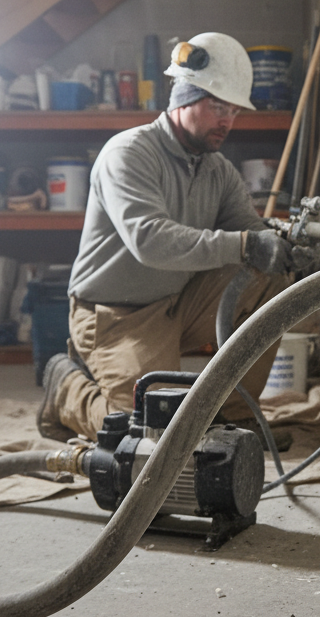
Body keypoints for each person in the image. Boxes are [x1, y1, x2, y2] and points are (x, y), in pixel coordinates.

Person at [37, 32, 294, 442]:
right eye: (217, 106)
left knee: (271, 279)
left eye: (234, 111)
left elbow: (251, 231)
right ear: (184, 98)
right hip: (116, 315)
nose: (227, 121)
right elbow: (149, 240)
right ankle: (67, 391)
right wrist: (246, 245)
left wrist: (278, 248)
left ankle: (235, 416)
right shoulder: (129, 153)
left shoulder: (217, 169)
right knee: (147, 439)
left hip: (179, 302)